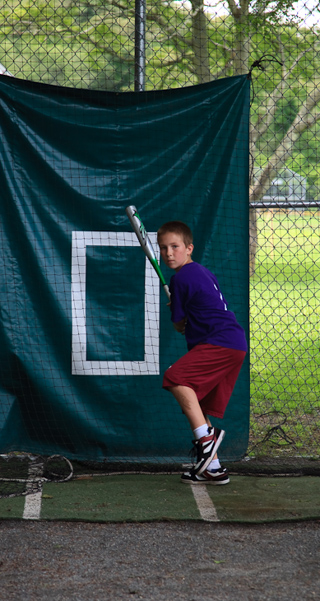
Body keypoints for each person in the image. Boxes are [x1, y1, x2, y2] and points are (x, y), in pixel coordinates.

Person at [157, 221, 247, 485]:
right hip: (234, 343)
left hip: (220, 342)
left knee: (175, 377)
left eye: (175, 247)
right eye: (164, 248)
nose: (169, 253)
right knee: (198, 404)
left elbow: (178, 326)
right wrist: (179, 305)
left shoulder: (181, 278)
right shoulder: (201, 272)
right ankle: (213, 467)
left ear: (189, 248)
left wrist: (176, 308)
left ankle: (206, 441)